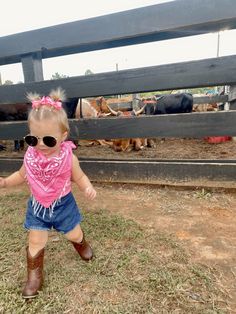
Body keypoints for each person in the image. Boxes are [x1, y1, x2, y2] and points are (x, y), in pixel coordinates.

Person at [0, 88, 97, 299]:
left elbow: (79, 177)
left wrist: (87, 187)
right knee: (36, 240)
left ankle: (80, 242)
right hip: (37, 206)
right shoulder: (31, 157)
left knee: (73, 232)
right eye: (33, 139)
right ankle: (34, 276)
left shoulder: (69, 159)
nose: (41, 145)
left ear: (63, 136)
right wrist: (6, 182)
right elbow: (21, 174)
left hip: (63, 205)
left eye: (49, 140)